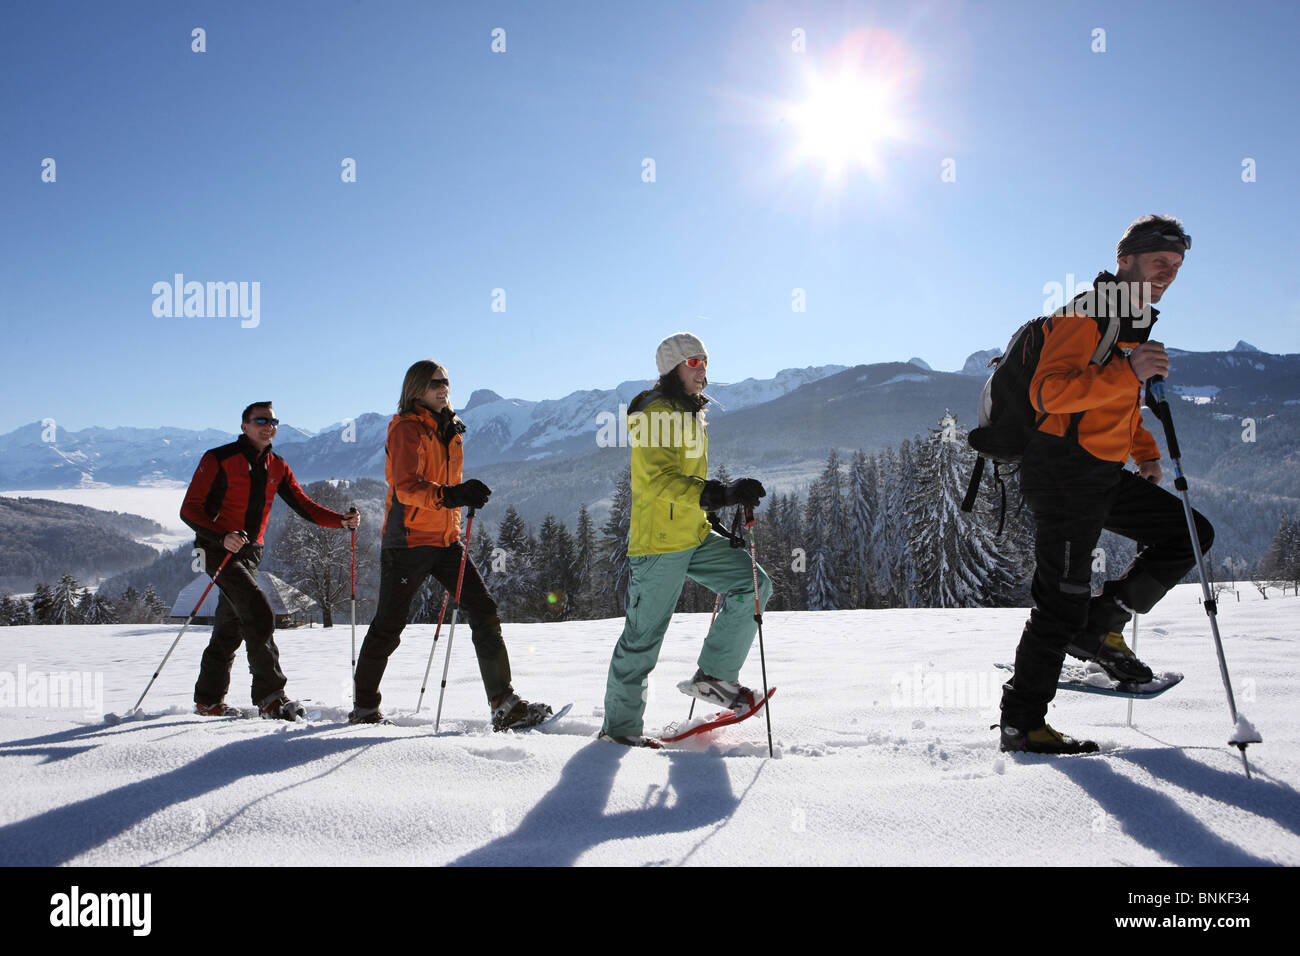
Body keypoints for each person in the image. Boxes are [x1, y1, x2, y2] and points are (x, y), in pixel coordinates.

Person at [999, 215, 1214, 754]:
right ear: (1126, 260)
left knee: (1188, 533)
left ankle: (1099, 626)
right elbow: (1048, 393)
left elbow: (1117, 402)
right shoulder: (1084, 315)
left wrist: (1144, 454)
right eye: (1159, 260)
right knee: (1060, 601)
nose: (1168, 272)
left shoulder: (1128, 320)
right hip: (1062, 473)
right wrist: (1131, 371)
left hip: (1099, 470)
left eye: (1177, 265)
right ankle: (1022, 725)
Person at [349, 360, 550, 730]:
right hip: (407, 542)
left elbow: (443, 485)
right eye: (434, 383)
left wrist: (457, 498)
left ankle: (503, 703)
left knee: (484, 609)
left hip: (445, 541)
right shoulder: (407, 430)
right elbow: (406, 487)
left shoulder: (450, 428)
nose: (443, 388)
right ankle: (364, 707)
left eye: (446, 382)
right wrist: (453, 494)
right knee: (389, 625)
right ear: (416, 389)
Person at [599, 332, 773, 746]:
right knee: (642, 641)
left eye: (705, 363)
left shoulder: (688, 411)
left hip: (692, 534)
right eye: (694, 363)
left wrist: (711, 516)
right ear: (672, 367)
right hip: (659, 544)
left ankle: (713, 677)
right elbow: (658, 479)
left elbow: (688, 480)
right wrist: (717, 494)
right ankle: (619, 734)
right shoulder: (655, 412)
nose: (703, 372)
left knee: (753, 585)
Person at [181, 401, 360, 719]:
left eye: (273, 421)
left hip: (250, 555)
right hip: (216, 550)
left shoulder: (277, 465)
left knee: (230, 626)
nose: (268, 426)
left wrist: (340, 521)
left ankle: (207, 701)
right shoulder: (218, 459)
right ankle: (270, 698)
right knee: (259, 611)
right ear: (244, 426)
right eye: (260, 420)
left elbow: (304, 505)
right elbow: (190, 509)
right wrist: (221, 536)